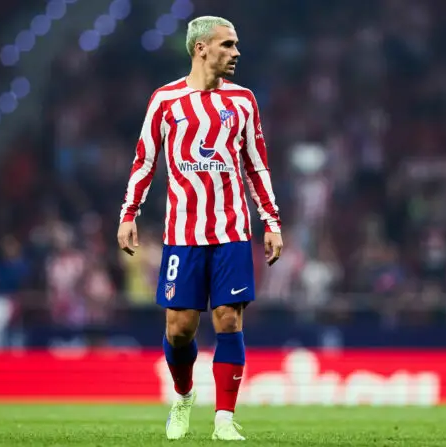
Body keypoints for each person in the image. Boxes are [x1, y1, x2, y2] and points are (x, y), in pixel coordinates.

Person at [117, 15, 283, 441]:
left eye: (236, 44)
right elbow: (145, 160)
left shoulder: (243, 101)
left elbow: (257, 165)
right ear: (201, 48)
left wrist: (271, 221)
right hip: (182, 234)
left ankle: (224, 419)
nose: (236, 52)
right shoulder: (165, 100)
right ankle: (184, 395)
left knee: (229, 320)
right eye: (227, 44)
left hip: (231, 231)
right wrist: (129, 213)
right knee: (180, 329)